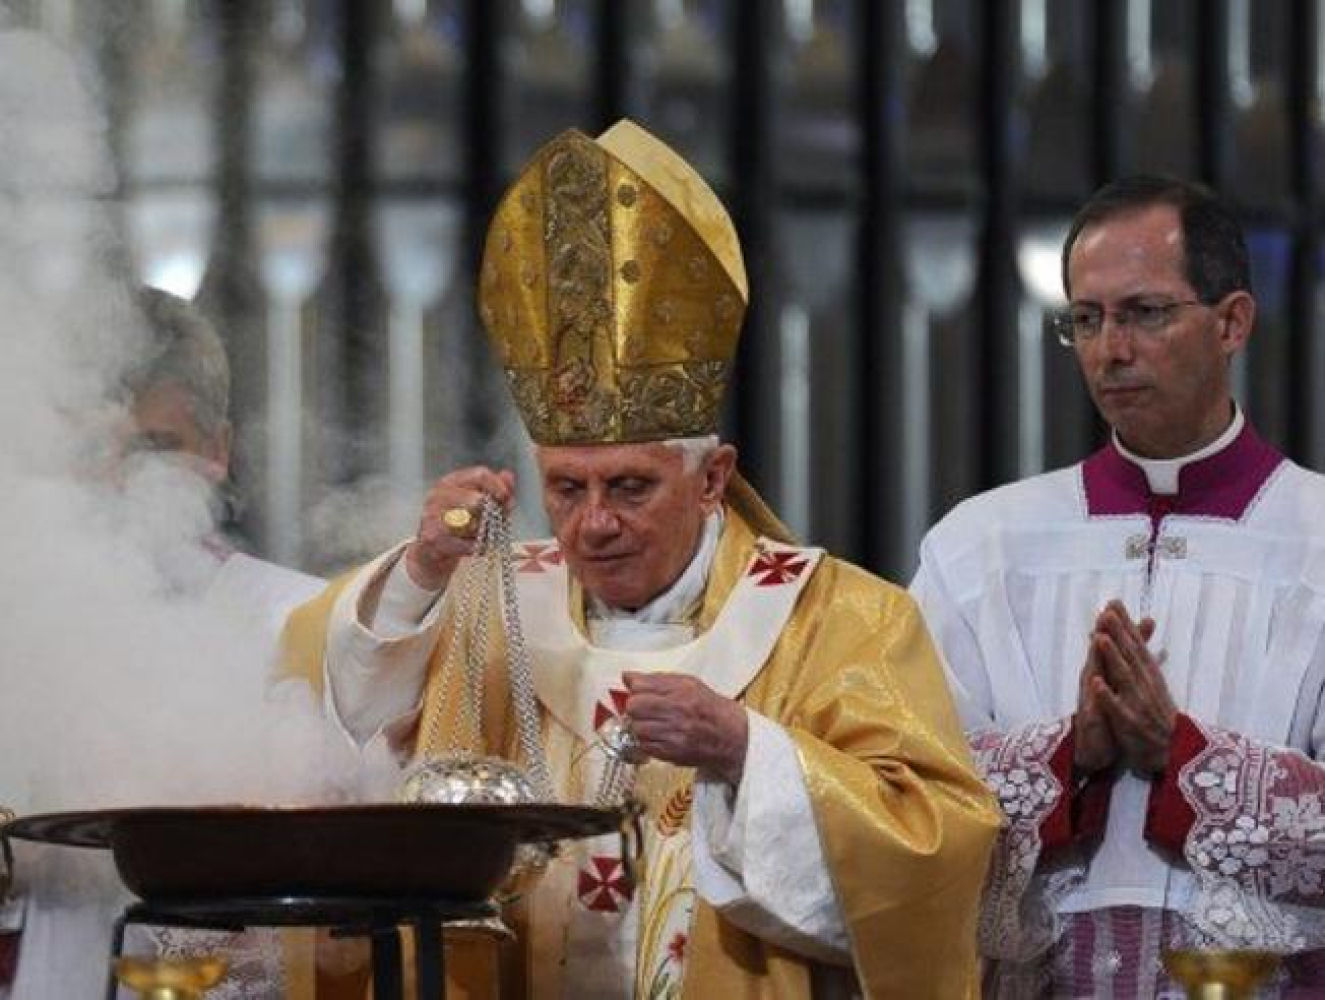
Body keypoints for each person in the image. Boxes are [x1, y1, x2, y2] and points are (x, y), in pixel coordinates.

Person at [282, 119, 999, 999]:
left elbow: (936, 851)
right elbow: (321, 724)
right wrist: (422, 571)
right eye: (567, 488)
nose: (592, 526)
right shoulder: (485, 607)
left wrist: (747, 751)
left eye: (628, 488)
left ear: (712, 479)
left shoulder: (841, 619)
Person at [911, 175, 1325, 997]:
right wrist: (1069, 757)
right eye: (1087, 320)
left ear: (1232, 321)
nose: (1110, 349)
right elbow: (907, 799)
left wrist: (1184, 758)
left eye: (1144, 313)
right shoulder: (981, 544)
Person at [4, 288, 325, 1000]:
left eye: (155, 447)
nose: (121, 479)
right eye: (92, 449)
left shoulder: (299, 622)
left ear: (218, 451)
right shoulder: (21, 628)